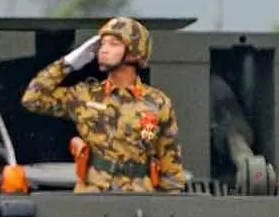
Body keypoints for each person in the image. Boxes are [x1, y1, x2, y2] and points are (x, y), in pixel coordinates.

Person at [23, 15, 189, 192]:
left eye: (113, 44)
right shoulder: (86, 96)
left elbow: (170, 162)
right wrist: (68, 63)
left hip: (139, 196)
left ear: (133, 53)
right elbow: (33, 98)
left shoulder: (157, 102)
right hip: (92, 193)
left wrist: (169, 204)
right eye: (102, 44)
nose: (103, 50)